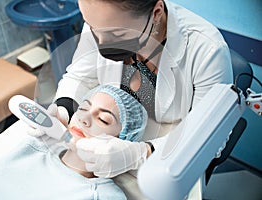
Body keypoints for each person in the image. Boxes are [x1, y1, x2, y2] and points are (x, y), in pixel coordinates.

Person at [47, 0, 233, 178]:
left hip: (168, 147)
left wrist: (143, 153)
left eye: (118, 35)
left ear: (156, 13)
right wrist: (63, 109)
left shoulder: (207, 50)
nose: (102, 43)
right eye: (94, 29)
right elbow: (80, 77)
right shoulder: (103, 18)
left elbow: (211, 138)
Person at [0, 85, 147, 200]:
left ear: (121, 141)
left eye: (104, 120)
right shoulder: (35, 143)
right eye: (83, 108)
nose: (84, 119)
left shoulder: (101, 196)